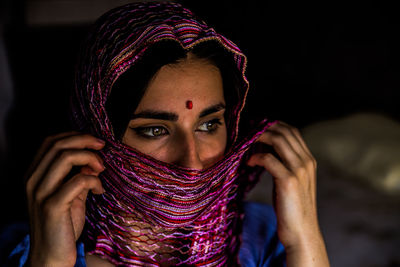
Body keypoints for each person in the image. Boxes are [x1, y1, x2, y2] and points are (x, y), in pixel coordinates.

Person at [5, 2, 329, 266]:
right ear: (94, 130)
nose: (192, 163)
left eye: (208, 125)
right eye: (155, 130)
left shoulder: (265, 237)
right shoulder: (36, 247)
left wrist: (305, 240)